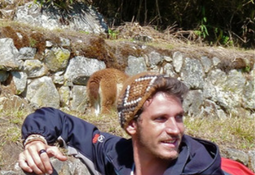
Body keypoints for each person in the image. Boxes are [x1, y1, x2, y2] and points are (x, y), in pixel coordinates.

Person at [17, 72, 224, 175]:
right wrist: (35, 140)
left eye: (178, 117)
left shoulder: (201, 169)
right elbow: (59, 119)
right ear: (132, 126)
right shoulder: (116, 156)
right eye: (161, 118)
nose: (175, 129)